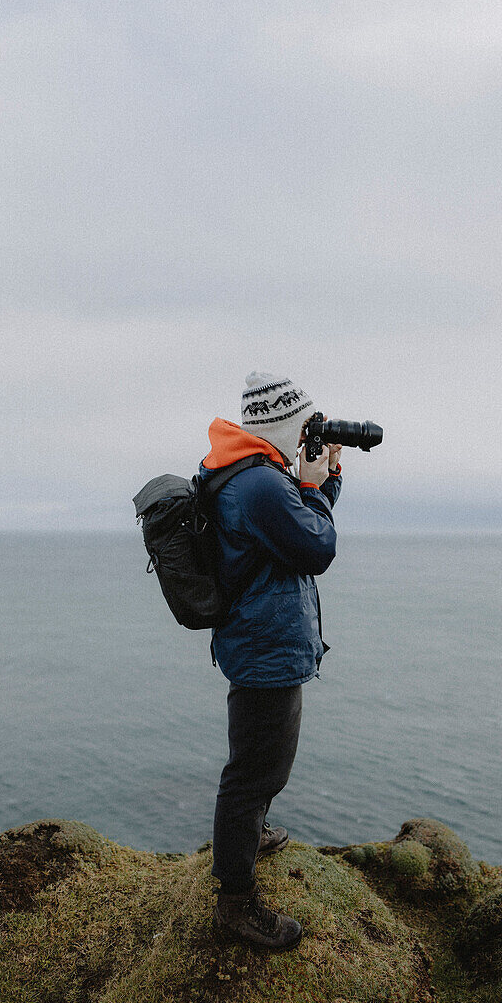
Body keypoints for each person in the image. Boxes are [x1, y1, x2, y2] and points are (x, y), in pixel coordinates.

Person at [198, 372, 342, 950]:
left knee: (259, 766)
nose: (313, 433)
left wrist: (316, 484)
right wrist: (313, 487)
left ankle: (248, 835)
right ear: (285, 425)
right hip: (266, 650)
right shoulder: (260, 484)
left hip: (259, 641)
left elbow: (299, 536)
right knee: (255, 774)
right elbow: (317, 547)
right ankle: (234, 903)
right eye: (306, 425)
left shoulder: (247, 472)